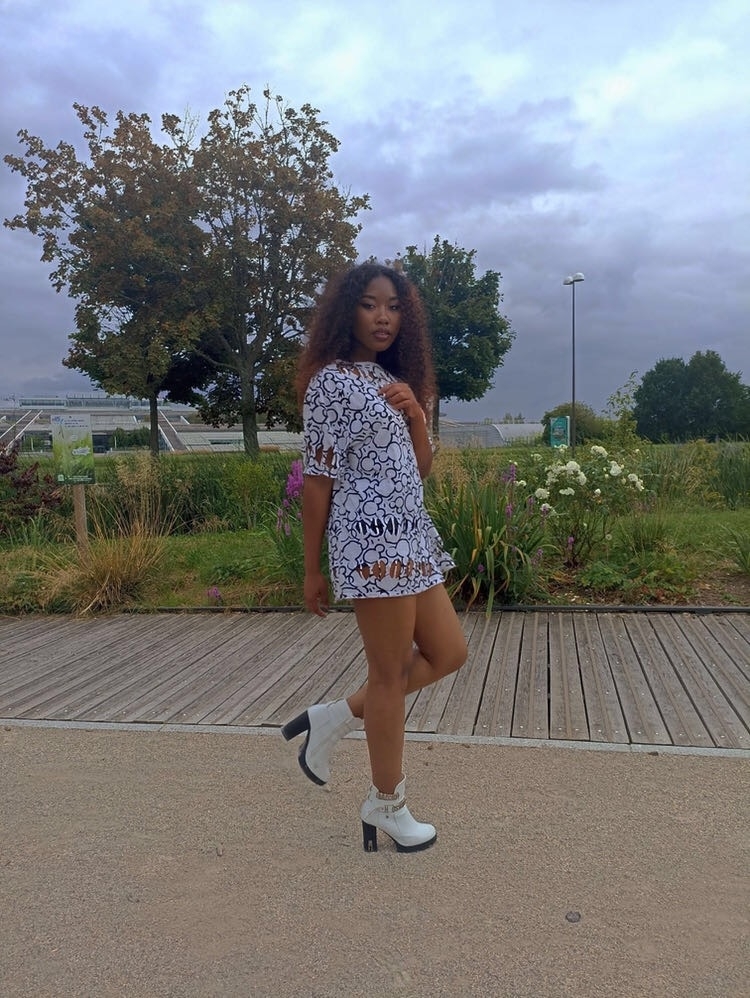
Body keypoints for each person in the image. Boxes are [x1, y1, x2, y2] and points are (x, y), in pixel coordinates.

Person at [281, 261, 468, 853]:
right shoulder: (330, 383)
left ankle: (333, 717)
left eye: (392, 306)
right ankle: (387, 803)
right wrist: (312, 568)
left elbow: (421, 468)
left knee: (449, 652)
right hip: (369, 542)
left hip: (411, 535)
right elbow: (317, 481)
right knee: (388, 678)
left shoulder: (392, 380)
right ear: (347, 311)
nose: (382, 317)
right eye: (369, 304)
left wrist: (416, 413)